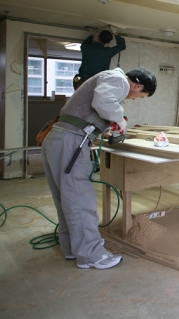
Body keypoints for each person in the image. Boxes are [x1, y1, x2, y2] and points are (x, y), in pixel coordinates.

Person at [41, 67, 157, 269]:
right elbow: (103, 101)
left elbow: (91, 110)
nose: (134, 99)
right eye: (140, 96)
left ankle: (72, 248)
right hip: (71, 142)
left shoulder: (106, 78)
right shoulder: (118, 79)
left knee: (66, 199)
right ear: (138, 86)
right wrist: (119, 119)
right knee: (80, 200)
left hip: (58, 138)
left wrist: (103, 129)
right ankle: (92, 255)